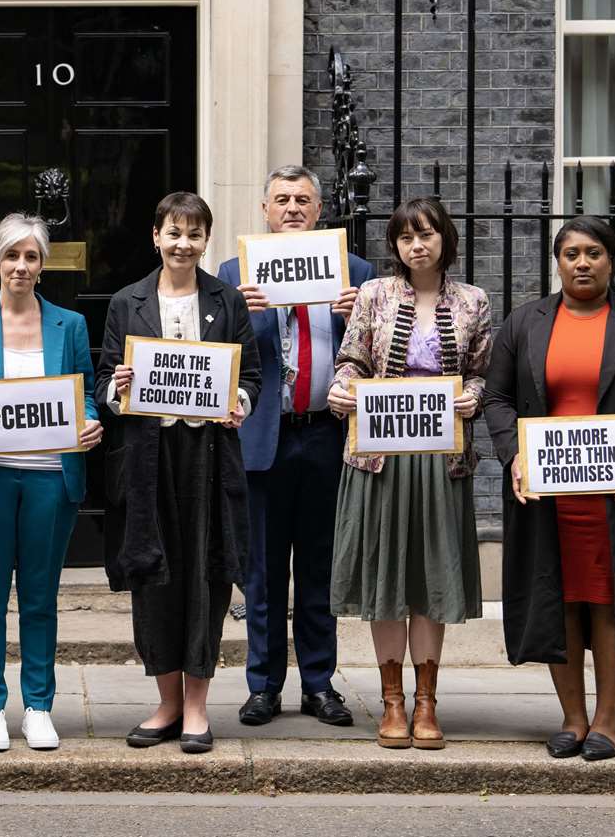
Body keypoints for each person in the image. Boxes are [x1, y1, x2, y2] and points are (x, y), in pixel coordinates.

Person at [483, 216, 615, 762]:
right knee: (559, 600)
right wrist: (515, 455)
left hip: (613, 496)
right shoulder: (525, 323)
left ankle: (606, 721)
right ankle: (572, 719)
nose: (582, 262)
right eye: (571, 253)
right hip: (546, 493)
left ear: (611, 259)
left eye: (593, 253)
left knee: (608, 600)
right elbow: (496, 397)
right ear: (557, 261)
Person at [326, 198, 493, 749]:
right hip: (379, 459)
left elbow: (481, 372)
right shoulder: (374, 295)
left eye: (426, 235)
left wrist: (471, 396)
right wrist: (343, 388)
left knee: (428, 581)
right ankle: (391, 702)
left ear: (445, 238)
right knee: (385, 581)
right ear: (394, 247)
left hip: (440, 461)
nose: (416, 246)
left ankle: (427, 703)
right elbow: (351, 361)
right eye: (405, 238)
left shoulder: (473, 301)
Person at [98, 192, 261, 754]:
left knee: (205, 576)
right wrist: (117, 392)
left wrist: (239, 398)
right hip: (148, 458)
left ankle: (197, 706)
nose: (182, 244)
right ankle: (166, 702)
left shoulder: (227, 300)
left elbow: (252, 375)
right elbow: (102, 385)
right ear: (156, 237)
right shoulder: (127, 302)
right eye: (173, 232)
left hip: (209, 458)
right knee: (154, 577)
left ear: (205, 242)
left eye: (193, 235)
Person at [217, 165, 374, 728]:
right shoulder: (235, 273)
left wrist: (357, 315)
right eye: (281, 199)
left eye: (302, 200)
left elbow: (380, 357)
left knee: (318, 569)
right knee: (260, 573)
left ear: (319, 209)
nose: (291, 208)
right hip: (263, 437)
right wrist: (240, 312)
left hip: (325, 434)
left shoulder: (355, 275)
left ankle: (319, 684)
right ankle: (263, 686)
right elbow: (215, 357)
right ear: (264, 209)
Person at [0, 212, 103, 753]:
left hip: (50, 477)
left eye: (31, 256)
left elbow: (85, 395)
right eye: (11, 255)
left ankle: (38, 705)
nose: (21, 265)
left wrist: (88, 422)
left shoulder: (70, 325)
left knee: (40, 598)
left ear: (42, 264)